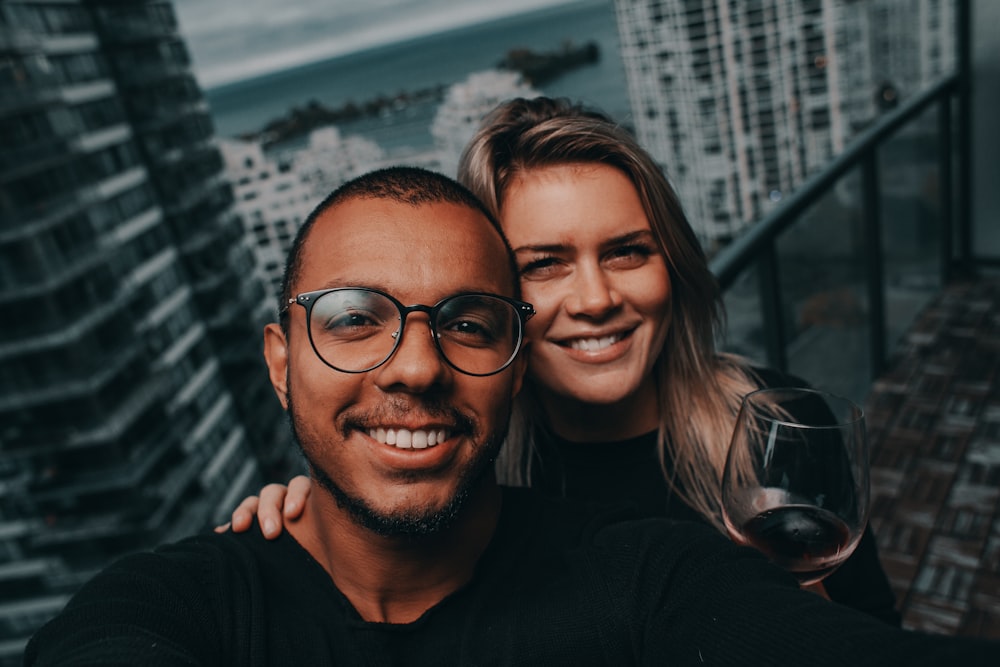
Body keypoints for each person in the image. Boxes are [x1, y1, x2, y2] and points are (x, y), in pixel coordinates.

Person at [24, 166, 1000, 665]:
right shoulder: (179, 600)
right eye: (355, 319)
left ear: (508, 355)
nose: (414, 365)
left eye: (466, 320)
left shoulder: (641, 561)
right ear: (281, 363)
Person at [225, 97, 899, 623]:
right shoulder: (461, 484)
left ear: (674, 266)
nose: (597, 298)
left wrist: (796, 609)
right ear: (487, 305)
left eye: (627, 251)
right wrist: (343, 510)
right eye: (544, 264)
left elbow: (876, 631)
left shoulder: (784, 426)